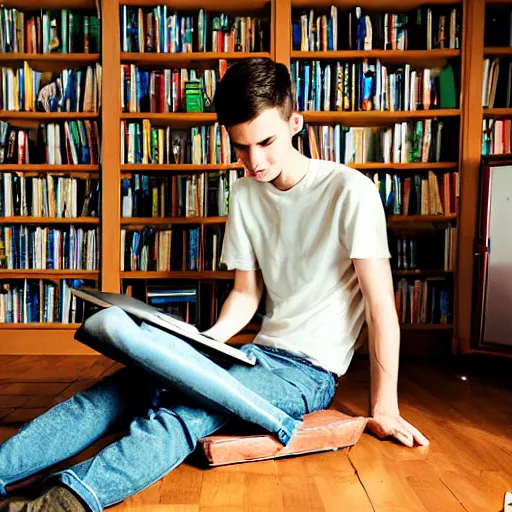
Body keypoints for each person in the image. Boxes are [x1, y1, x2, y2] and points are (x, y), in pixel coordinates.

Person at [0, 58, 428, 512]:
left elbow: (381, 308)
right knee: (115, 392)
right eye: (241, 147)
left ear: (295, 123)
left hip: (307, 373)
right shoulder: (244, 193)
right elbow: (246, 294)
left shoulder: (351, 192)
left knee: (186, 413)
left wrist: (384, 407)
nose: (254, 161)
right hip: (251, 352)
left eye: (266, 142)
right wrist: (201, 346)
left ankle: (54, 506)